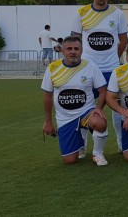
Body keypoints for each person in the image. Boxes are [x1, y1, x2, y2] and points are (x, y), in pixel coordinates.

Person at [71, 0, 128, 155]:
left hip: (111, 70)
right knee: (83, 107)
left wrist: (112, 58)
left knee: (117, 107)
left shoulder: (117, 14)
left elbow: (124, 41)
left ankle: (122, 143)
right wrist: (83, 63)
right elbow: (75, 40)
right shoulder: (81, 13)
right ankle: (81, 146)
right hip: (87, 69)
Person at [41, 36, 108, 166]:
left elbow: (103, 90)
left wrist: (99, 108)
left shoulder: (90, 66)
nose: (73, 52)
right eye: (69, 49)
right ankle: (80, 144)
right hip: (65, 118)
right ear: (62, 51)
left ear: (81, 50)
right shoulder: (52, 68)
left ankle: (98, 153)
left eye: (76, 49)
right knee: (69, 161)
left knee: (99, 122)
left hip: (86, 113)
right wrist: (48, 122)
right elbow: (47, 96)